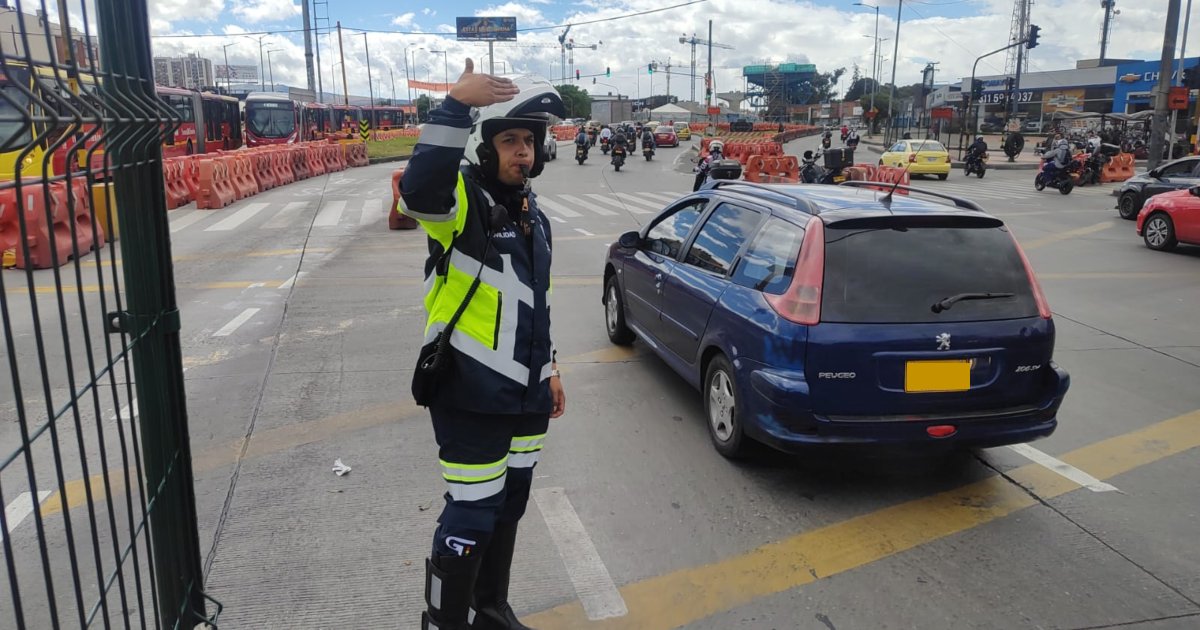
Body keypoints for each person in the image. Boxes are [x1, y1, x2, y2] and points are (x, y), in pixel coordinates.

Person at [398, 59, 568, 630]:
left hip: (527, 397)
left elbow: (535, 305)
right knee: (471, 515)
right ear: (483, 146)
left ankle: (490, 609)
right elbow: (419, 192)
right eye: (510, 140)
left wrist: (551, 369)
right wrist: (455, 106)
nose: (523, 152)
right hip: (469, 394)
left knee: (509, 508)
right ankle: (443, 624)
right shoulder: (462, 206)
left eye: (529, 141)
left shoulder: (533, 215)